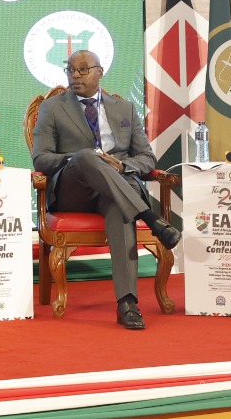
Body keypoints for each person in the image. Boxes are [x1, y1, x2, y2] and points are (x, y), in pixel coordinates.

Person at [32, 49, 180, 330]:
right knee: (87, 156)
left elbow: (147, 158)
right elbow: (41, 159)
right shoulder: (53, 108)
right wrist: (84, 159)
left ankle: (127, 304)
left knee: (120, 209)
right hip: (74, 190)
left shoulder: (125, 109)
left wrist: (122, 166)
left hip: (116, 189)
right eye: (70, 70)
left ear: (100, 72)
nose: (75, 75)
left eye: (82, 69)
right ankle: (151, 218)